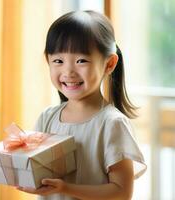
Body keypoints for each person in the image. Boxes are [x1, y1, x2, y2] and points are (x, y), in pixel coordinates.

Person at [17, 10, 147, 200]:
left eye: (81, 61)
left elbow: (122, 192)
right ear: (48, 61)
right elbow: (37, 171)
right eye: (58, 61)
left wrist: (65, 188)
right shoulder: (47, 117)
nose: (68, 71)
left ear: (109, 64)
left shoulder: (112, 124)